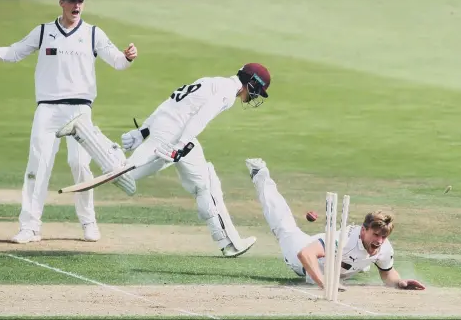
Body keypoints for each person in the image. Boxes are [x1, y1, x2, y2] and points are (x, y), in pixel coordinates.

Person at [0, 0, 138, 243]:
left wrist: (128, 57)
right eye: (72, 1)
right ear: (61, 3)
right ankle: (30, 227)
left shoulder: (93, 33)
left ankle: (88, 222)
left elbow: (117, 62)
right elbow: (15, 52)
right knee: (37, 165)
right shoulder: (44, 32)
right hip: (48, 109)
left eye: (80, 1)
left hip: (79, 111)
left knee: (80, 164)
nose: (77, 5)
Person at [55, 63, 271, 257]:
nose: (256, 97)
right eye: (257, 91)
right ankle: (84, 130)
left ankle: (228, 243)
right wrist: (181, 145)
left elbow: (171, 103)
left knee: (204, 183)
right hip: (173, 136)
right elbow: (200, 118)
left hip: (171, 131)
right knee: (126, 177)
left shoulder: (212, 81)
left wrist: (144, 130)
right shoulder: (225, 92)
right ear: (251, 83)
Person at [244, 157, 426, 290]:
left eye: (383, 237)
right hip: (302, 257)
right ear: (363, 230)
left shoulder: (385, 248)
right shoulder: (344, 240)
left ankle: (355, 264)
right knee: (283, 225)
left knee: (358, 261)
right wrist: (324, 283)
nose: (379, 241)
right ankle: (260, 174)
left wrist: (400, 282)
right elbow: (305, 254)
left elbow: (387, 273)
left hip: (333, 260)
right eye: (376, 235)